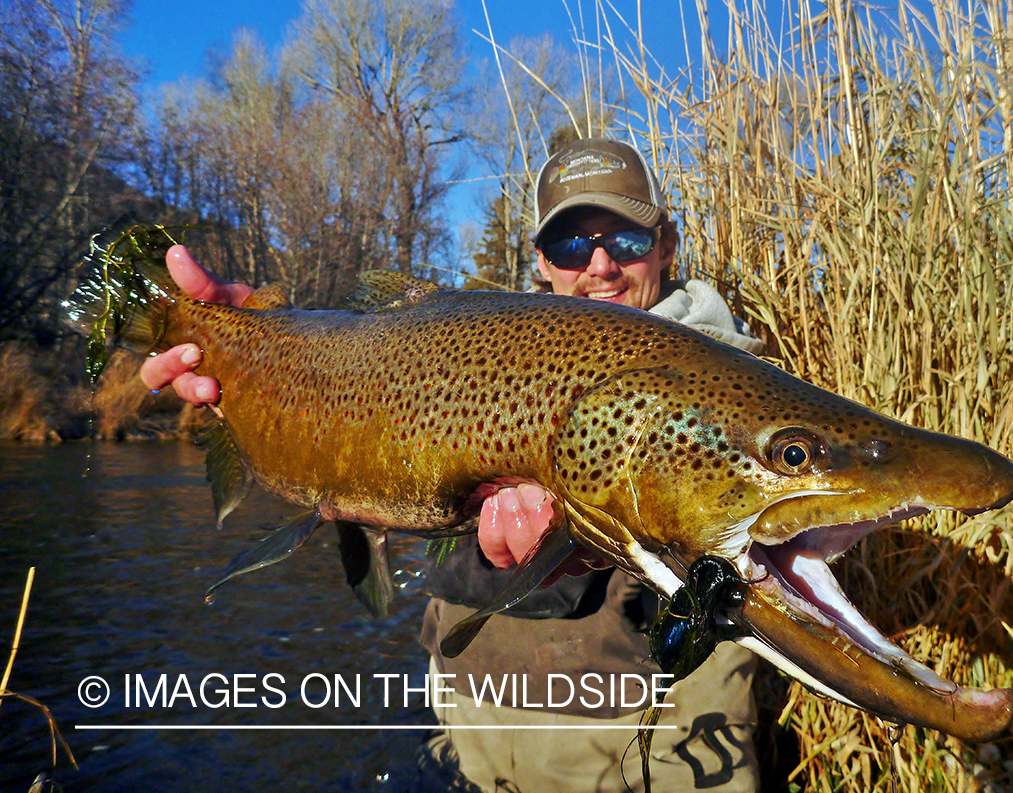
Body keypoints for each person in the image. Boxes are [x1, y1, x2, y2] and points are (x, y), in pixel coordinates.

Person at [141, 137, 764, 792]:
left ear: (665, 245)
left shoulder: (736, 387)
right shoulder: (485, 349)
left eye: (627, 241)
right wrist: (256, 356)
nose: (600, 266)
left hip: (654, 746)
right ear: (542, 261)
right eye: (572, 246)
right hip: (473, 733)